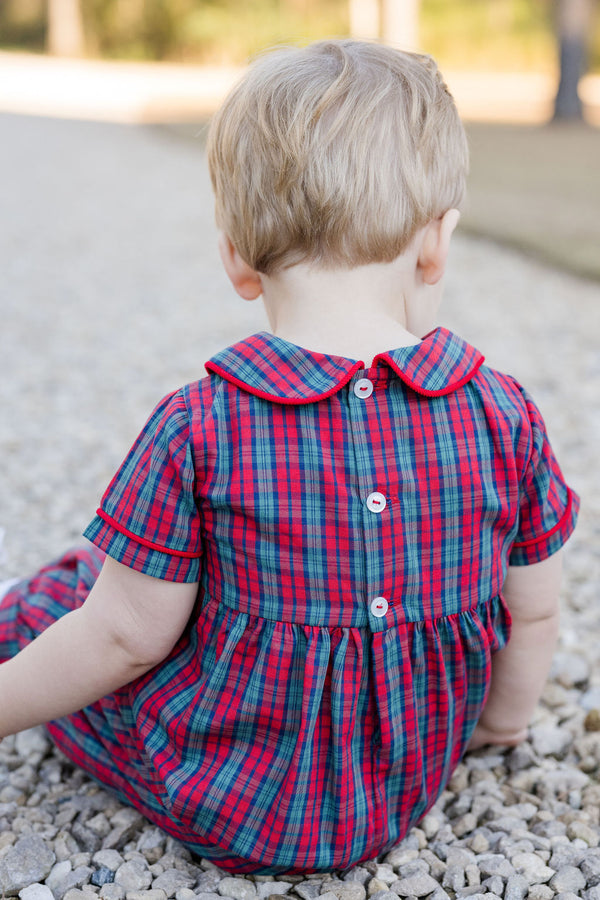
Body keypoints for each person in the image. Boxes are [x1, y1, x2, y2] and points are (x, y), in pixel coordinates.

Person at [0, 40, 579, 874]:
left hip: (221, 800)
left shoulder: (202, 424)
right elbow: (534, 611)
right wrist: (497, 726)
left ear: (237, 257)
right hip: (404, 787)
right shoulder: (503, 414)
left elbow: (125, 640)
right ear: (436, 244)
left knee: (74, 597)